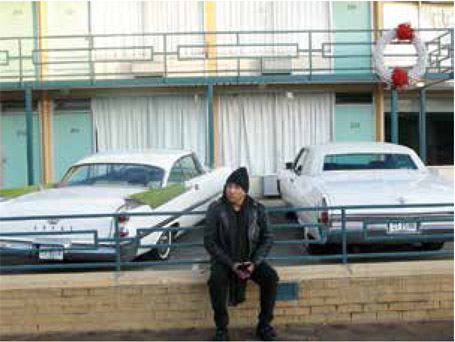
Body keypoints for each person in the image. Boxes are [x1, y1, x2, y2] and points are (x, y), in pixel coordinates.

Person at [204, 167, 279, 341]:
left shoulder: (257, 209)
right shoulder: (216, 208)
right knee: (216, 280)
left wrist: (254, 263)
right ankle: (221, 328)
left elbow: (268, 238)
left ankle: (264, 325)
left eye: (236, 187)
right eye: (228, 186)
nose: (231, 190)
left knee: (271, 278)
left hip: (250, 259)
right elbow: (210, 242)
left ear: (244, 190)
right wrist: (231, 264)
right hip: (224, 260)